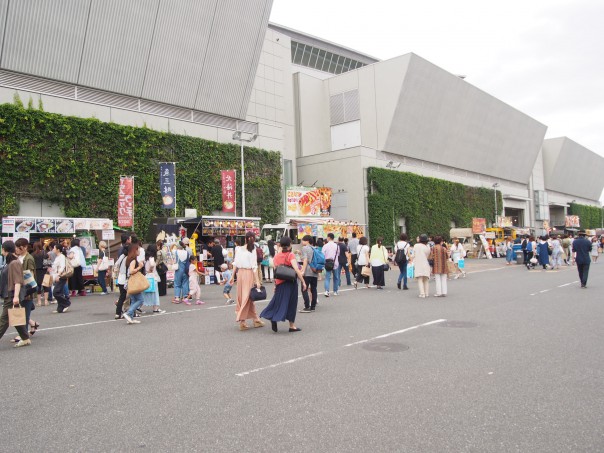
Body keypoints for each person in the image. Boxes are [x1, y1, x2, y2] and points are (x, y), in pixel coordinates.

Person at [260, 236, 305, 332]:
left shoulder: (276, 256)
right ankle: (291, 325)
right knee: (292, 303)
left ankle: (272, 317)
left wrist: (275, 285)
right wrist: (303, 281)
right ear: (290, 245)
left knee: (277, 302)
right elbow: (296, 269)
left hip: (280, 282)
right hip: (290, 282)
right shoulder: (290, 255)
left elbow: (277, 272)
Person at [229, 232, 264, 331]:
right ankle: (242, 319)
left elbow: (235, 263)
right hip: (248, 273)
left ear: (245, 239)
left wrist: (232, 276)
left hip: (240, 274)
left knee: (244, 297)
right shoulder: (252, 250)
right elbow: (254, 266)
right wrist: (257, 281)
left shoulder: (238, 249)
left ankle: (254, 320)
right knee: (248, 297)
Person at [0, 241, 32, 348]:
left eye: (2, 249)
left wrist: (16, 296)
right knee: (14, 315)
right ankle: (25, 338)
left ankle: (25, 338)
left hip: (12, 294)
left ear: (5, 250)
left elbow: (17, 281)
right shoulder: (11, 261)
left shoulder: (14, 262)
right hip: (9, 293)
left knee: (4, 319)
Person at [14, 238, 39, 336]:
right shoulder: (19, 257)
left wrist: (27, 290)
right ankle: (32, 324)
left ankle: (23, 336)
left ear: (25, 247)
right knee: (22, 310)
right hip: (20, 287)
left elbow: (30, 276)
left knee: (25, 312)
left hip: (27, 288)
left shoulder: (29, 258)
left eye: (19, 247)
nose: (17, 249)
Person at [122, 243, 145, 325]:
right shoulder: (133, 260)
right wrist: (139, 267)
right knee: (140, 300)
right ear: (134, 251)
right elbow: (131, 271)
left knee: (134, 300)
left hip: (129, 282)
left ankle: (130, 318)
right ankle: (128, 313)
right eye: (138, 249)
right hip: (134, 282)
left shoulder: (129, 259)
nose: (139, 251)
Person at [142, 245, 166, 314]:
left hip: (147, 276)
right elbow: (152, 265)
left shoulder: (146, 258)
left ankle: (139, 307)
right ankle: (156, 308)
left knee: (146, 293)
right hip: (152, 276)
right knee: (155, 293)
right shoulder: (152, 258)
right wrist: (151, 269)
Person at [299, 235, 318, 313]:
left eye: (303, 240)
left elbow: (305, 260)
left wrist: (302, 270)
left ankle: (307, 306)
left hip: (307, 271)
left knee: (304, 289)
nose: (302, 242)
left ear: (307, 241)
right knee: (314, 289)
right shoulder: (314, 248)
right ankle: (313, 306)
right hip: (315, 270)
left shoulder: (305, 248)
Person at [32, 242, 48, 306]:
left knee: (38, 286)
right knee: (45, 285)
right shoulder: (44, 253)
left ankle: (39, 301)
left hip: (36, 271)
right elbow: (48, 262)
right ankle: (46, 301)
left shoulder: (32, 255)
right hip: (44, 271)